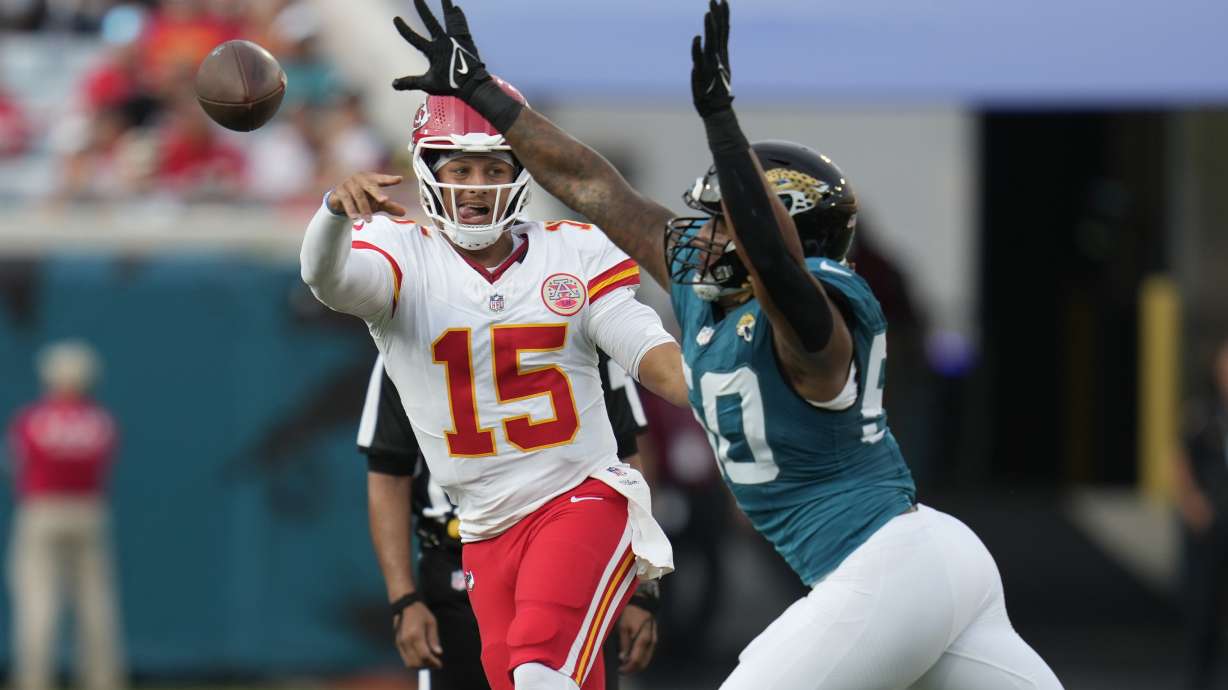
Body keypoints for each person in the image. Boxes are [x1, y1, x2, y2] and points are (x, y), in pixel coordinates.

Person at [389, 1, 1062, 687]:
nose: (701, 235)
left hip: (885, 564)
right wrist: (487, 99)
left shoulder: (818, 321)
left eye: (722, 222)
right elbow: (593, 187)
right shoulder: (709, 293)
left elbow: (776, 264)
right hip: (928, 561)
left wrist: (724, 131)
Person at [299, 50, 687, 690]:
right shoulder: (401, 254)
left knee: (537, 667)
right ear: (428, 172)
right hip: (480, 528)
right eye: (461, 168)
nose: (476, 184)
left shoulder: (576, 251)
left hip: (579, 499)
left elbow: (650, 355)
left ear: (519, 173)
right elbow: (326, 278)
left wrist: (712, 380)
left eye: (491, 168)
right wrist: (334, 214)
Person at [360, 352, 659, 690]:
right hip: (462, 555)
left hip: (569, 545)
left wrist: (642, 587)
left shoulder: (573, 307)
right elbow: (388, 474)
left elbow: (626, 459)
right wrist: (404, 599)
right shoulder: (408, 325)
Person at [6, 341, 125, 690]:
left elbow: (17, 464)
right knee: (96, 602)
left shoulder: (32, 420)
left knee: (37, 600)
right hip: (90, 511)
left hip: (42, 510)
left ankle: (34, 679)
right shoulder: (101, 421)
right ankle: (103, 678)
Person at [1173, 338, 1228, 690]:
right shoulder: (1202, 414)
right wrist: (1192, 501)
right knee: (1205, 612)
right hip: (1212, 526)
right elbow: (1179, 459)